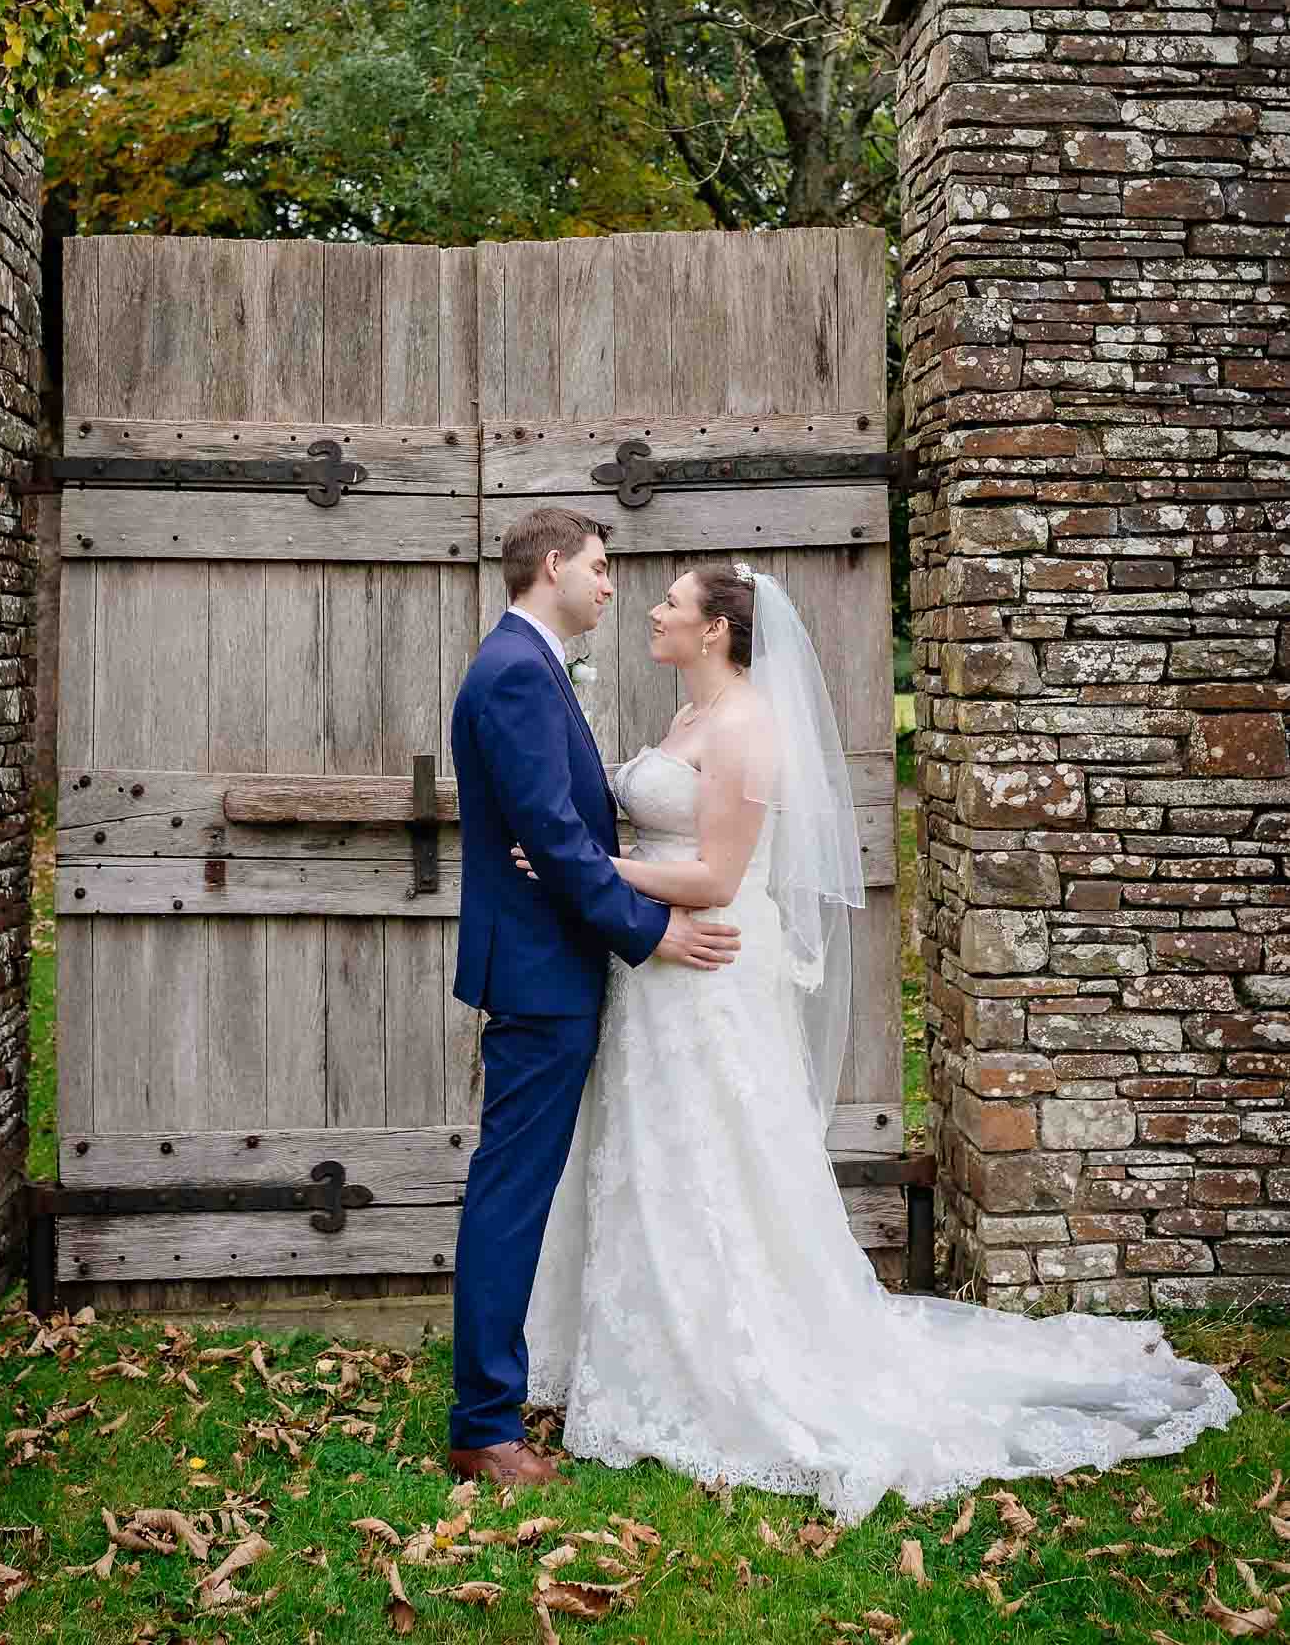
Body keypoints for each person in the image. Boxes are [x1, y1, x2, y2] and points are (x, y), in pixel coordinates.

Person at [520, 560, 1241, 1524]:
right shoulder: (689, 718)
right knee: (651, 1156)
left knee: (714, 1159)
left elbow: (719, 878)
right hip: (656, 976)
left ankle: (732, 1354)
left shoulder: (745, 727)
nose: (652, 610)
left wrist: (584, 864)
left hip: (711, 973)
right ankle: (641, 1343)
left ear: (718, 632)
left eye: (673, 605)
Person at [446, 506, 742, 1488]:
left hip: (550, 964)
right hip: (539, 971)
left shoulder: (528, 667)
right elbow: (559, 845)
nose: (612, 586)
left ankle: (503, 1395)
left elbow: (567, 834)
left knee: (522, 1185)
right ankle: (485, 1425)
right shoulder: (517, 675)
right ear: (554, 564)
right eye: (602, 568)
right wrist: (655, 931)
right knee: (510, 1190)